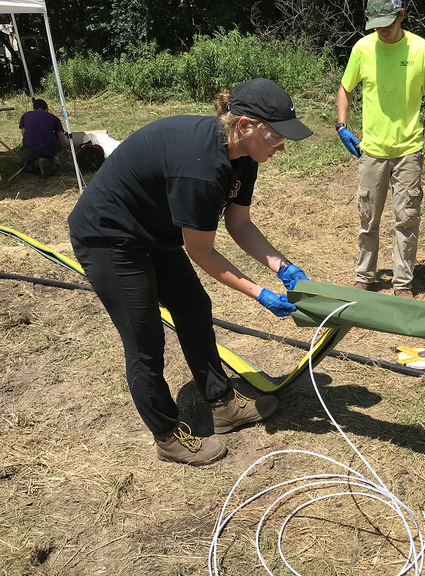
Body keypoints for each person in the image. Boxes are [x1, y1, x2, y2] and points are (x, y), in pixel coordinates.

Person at [68, 78, 313, 466]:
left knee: (193, 307)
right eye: (278, 136)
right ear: (246, 125)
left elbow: (240, 224)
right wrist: (259, 293)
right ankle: (167, 435)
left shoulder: (244, 154)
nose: (283, 146)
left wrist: (283, 267)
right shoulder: (202, 167)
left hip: (155, 230)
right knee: (144, 336)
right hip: (109, 235)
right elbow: (201, 251)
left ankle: (223, 406)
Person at [336, 0, 425, 299]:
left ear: (402, 16)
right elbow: (346, 88)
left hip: (409, 149)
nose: (382, 31)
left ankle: (402, 283)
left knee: (406, 218)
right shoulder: (363, 49)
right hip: (371, 150)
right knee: (367, 216)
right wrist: (342, 125)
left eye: (388, 23)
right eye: (376, 25)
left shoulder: (421, 50)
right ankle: (364, 276)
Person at [19, 99, 67, 177]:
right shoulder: (54, 118)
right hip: (49, 148)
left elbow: (24, 135)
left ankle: (36, 164)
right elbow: (62, 140)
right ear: (47, 108)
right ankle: (51, 163)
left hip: (31, 149)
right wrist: (60, 150)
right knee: (52, 160)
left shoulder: (25, 116)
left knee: (24, 165)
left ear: (34, 109)